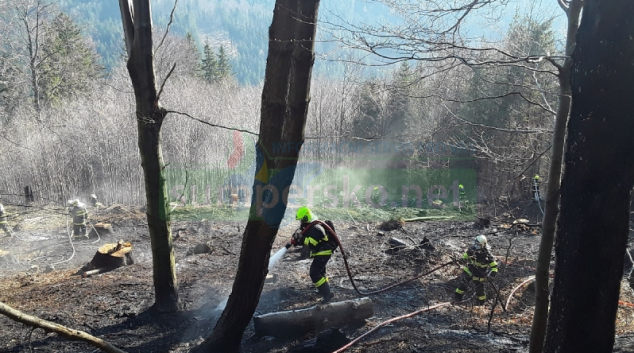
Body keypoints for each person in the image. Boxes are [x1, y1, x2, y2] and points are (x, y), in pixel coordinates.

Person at [286, 206, 336, 303]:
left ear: (305, 218)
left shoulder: (316, 228)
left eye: (301, 220)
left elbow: (312, 242)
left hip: (324, 252)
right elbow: (306, 240)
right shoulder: (311, 227)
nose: (300, 223)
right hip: (321, 252)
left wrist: (301, 238)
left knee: (314, 273)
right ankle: (323, 290)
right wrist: (297, 240)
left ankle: (327, 294)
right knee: (320, 272)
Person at [454, 235, 498, 305]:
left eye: (478, 245)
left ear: (483, 245)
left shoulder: (488, 256)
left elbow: (494, 267)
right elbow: (465, 257)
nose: (475, 246)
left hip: (479, 275)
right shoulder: (471, 250)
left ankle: (480, 304)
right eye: (475, 244)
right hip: (469, 271)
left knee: (480, 291)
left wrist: (492, 275)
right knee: (462, 285)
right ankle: (457, 298)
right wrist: (462, 260)